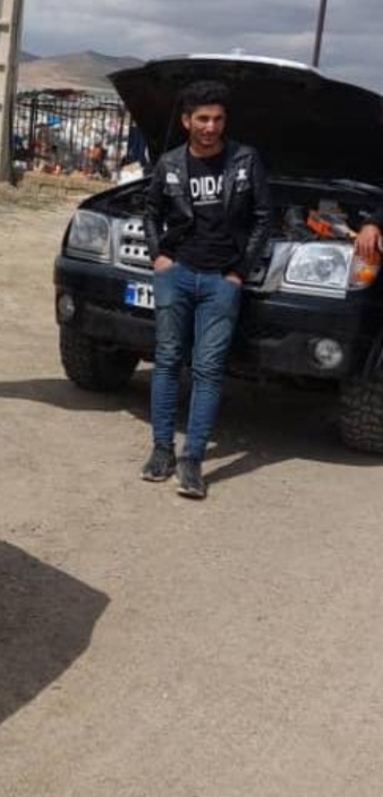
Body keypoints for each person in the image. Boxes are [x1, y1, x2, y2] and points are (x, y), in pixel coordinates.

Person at [141, 80, 271, 499]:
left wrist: (239, 271)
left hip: (222, 281)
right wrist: (158, 255)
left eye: (217, 118)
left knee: (209, 369)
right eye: (202, 119)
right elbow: (151, 210)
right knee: (166, 360)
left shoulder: (246, 161)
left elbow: (264, 218)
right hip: (175, 273)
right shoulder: (170, 164)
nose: (210, 126)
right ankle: (161, 450)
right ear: (186, 121)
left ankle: (192, 459)